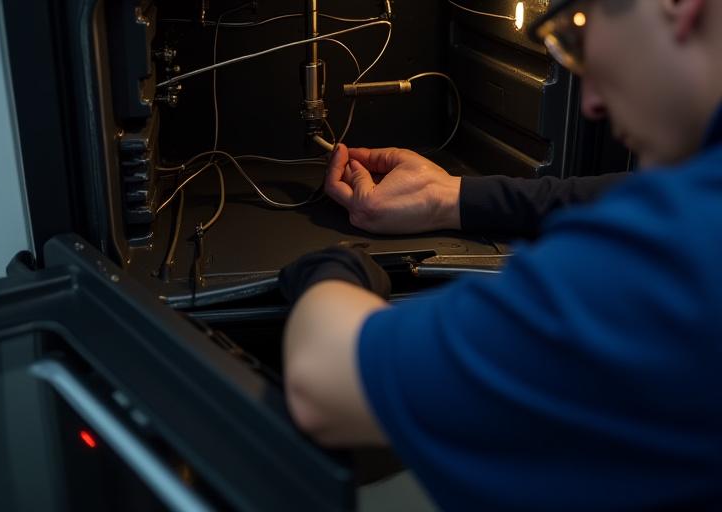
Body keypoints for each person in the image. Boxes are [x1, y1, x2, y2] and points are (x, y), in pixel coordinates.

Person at [279, 0, 722, 509]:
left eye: (581, 31)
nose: (592, 101)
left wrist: (335, 267)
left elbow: (325, 379)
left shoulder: (665, 264)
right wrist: (451, 198)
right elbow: (621, 190)